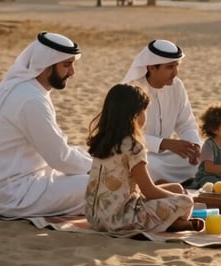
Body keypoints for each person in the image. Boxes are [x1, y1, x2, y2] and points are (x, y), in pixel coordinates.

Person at [0, 32, 92, 218]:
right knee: (100, 184)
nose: (72, 72)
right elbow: (60, 158)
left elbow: (58, 153)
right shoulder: (30, 99)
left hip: (21, 182)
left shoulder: (28, 90)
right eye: (66, 65)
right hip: (10, 194)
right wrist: (99, 167)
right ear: (46, 66)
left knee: (93, 174)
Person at [84, 83, 202, 234]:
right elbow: (148, 190)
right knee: (186, 201)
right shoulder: (133, 146)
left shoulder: (103, 140)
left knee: (177, 188)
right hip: (118, 219)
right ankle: (174, 223)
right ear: (135, 115)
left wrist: (174, 194)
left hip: (94, 217)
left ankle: (173, 221)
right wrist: (180, 199)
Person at [122, 39, 202, 184]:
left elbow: (186, 124)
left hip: (167, 156)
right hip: (138, 155)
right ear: (152, 67)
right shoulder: (131, 90)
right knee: (151, 166)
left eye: (176, 66)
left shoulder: (177, 86)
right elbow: (126, 135)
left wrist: (193, 145)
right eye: (170, 67)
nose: (175, 72)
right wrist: (163, 143)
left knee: (205, 158)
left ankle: (169, 183)